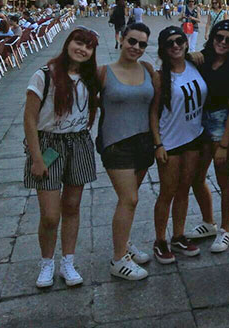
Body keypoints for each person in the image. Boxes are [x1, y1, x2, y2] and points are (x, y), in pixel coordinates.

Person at [23, 27, 101, 288]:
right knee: (50, 215)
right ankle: (47, 263)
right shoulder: (44, 75)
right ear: (68, 43)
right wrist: (36, 158)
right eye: (79, 43)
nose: (82, 49)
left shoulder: (89, 78)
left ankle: (68, 261)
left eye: (88, 47)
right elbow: (29, 118)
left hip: (78, 143)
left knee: (72, 207)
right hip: (49, 144)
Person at [98, 22, 157, 280]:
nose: (136, 47)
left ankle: (124, 244)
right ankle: (118, 259)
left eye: (142, 44)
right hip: (116, 143)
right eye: (132, 41)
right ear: (121, 39)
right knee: (129, 198)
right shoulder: (104, 72)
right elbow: (87, 104)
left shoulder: (147, 69)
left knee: (131, 200)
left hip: (143, 142)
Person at [151, 26, 207, 264]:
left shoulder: (195, 64)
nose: (175, 45)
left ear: (186, 43)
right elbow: (153, 113)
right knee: (167, 191)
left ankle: (178, 235)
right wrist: (158, 144)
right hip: (170, 141)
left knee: (184, 188)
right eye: (169, 43)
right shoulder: (160, 76)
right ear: (163, 49)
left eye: (179, 41)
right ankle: (160, 240)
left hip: (194, 138)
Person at [186, 20, 229, 253]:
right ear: (212, 38)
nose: (223, 43)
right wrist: (190, 55)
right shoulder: (201, 61)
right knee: (196, 177)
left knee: (224, 178)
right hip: (199, 123)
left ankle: (226, 229)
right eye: (219, 38)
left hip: (221, 126)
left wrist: (224, 144)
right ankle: (209, 222)